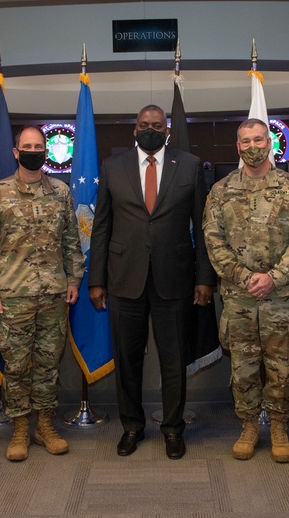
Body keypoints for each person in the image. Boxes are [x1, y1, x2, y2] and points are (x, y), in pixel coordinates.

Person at [89, 104, 216, 460]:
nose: (150, 129)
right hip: (123, 279)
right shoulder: (112, 167)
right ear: (134, 129)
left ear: (168, 130)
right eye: (144, 124)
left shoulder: (189, 165)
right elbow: (101, 226)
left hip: (174, 279)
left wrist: (205, 278)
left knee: (174, 360)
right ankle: (132, 426)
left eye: (157, 125)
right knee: (127, 361)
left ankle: (173, 429)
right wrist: (96, 279)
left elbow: (202, 227)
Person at [202, 119, 289, 463]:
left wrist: (275, 277)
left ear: (270, 143)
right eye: (245, 141)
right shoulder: (220, 191)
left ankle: (279, 427)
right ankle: (249, 426)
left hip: (281, 297)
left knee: (281, 367)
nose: (253, 146)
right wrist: (242, 275)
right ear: (237, 147)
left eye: (258, 139)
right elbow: (213, 239)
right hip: (239, 297)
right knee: (244, 367)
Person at [0, 125, 85, 462]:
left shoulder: (61, 192)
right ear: (16, 152)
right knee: (17, 365)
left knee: (49, 365)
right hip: (12, 295)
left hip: (53, 293)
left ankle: (45, 426)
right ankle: (20, 428)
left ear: (47, 152)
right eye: (28, 146)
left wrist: (74, 280)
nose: (34, 150)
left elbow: (70, 240)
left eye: (39, 146)